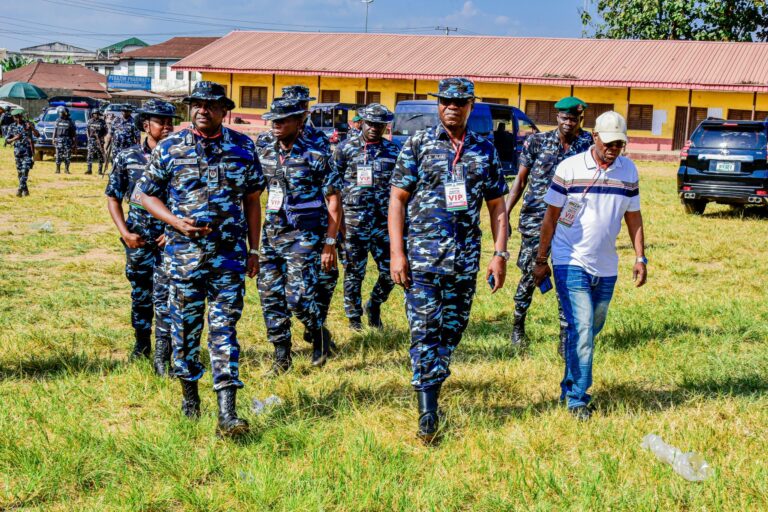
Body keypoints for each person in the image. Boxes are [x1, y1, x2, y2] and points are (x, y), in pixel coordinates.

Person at [139, 82, 265, 438]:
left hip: (228, 258)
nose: (202, 110)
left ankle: (228, 413)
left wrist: (254, 250)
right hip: (183, 259)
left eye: (210, 105)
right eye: (197, 104)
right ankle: (190, 397)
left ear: (224, 110)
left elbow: (253, 200)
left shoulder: (242, 147)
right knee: (185, 331)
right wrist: (174, 221)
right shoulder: (170, 148)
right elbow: (145, 194)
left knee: (225, 331)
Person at [389, 77, 510, 443]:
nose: (451, 107)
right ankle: (428, 413)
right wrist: (397, 253)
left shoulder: (483, 150)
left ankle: (434, 373)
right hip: (422, 261)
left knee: (451, 331)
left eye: (459, 102)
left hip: (463, 262)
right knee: (424, 332)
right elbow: (397, 200)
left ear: (471, 106)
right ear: (438, 105)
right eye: (445, 101)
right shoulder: (418, 144)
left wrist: (499, 254)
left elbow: (497, 207)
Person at [533, 111, 647, 421]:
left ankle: (569, 383)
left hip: (607, 265)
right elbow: (551, 218)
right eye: (609, 142)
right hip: (570, 260)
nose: (614, 149)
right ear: (594, 137)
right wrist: (541, 260)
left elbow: (633, 217)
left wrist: (640, 257)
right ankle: (578, 399)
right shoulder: (569, 168)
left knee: (591, 328)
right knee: (581, 328)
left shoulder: (628, 171)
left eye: (620, 144)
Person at [256, 98, 342, 374]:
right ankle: (282, 356)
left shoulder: (316, 156)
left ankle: (318, 333)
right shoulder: (265, 153)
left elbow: (334, 201)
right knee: (270, 295)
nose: (276, 125)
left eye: (283, 120)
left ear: (299, 121)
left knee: (298, 297)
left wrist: (330, 243)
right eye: (273, 120)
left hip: (305, 236)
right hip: (272, 235)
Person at [505, 97, 593, 356]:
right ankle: (518, 325)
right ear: (557, 118)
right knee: (533, 273)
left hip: (572, 220)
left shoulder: (588, 144)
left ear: (580, 119)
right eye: (564, 118)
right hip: (535, 219)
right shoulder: (536, 142)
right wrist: (505, 215)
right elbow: (520, 181)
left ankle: (565, 336)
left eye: (574, 119)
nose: (569, 123)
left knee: (568, 277)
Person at [105, 100, 179, 375]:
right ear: (146, 125)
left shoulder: (179, 156)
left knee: (169, 294)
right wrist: (125, 233)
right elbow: (113, 197)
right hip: (138, 238)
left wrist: (173, 230)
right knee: (140, 292)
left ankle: (166, 349)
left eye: (171, 121)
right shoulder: (127, 157)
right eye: (162, 121)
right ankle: (141, 343)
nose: (168, 126)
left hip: (169, 239)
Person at [331, 103, 399, 330]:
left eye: (380, 125)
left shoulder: (393, 152)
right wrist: (338, 225)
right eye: (370, 123)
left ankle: (375, 304)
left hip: (383, 224)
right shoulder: (344, 149)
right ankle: (354, 319)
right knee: (353, 274)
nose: (374, 128)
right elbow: (332, 188)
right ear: (361, 122)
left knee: (391, 273)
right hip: (352, 225)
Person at [6, 108, 39, 197]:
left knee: (25, 171)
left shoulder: (28, 124)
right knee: (20, 173)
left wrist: (31, 128)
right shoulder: (12, 126)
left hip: (28, 152)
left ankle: (20, 190)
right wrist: (14, 138)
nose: (19, 118)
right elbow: (7, 141)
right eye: (16, 117)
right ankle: (26, 190)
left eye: (20, 116)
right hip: (18, 153)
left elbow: (37, 135)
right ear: (13, 117)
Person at [52, 106, 76, 175]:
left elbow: (74, 133)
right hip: (59, 139)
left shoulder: (70, 121)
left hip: (67, 140)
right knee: (58, 155)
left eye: (61, 113)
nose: (60, 114)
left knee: (67, 156)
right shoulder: (57, 120)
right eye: (59, 113)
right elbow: (55, 130)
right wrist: (53, 138)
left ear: (65, 113)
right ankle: (57, 169)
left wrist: (75, 143)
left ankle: (66, 169)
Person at [86, 110, 108, 175]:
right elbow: (87, 130)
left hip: (99, 141)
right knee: (90, 155)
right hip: (91, 140)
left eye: (97, 114)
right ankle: (89, 170)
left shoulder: (102, 122)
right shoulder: (89, 121)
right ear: (92, 114)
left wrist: (102, 137)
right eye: (95, 114)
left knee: (100, 155)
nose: (96, 115)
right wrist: (88, 137)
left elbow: (106, 131)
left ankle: (100, 171)